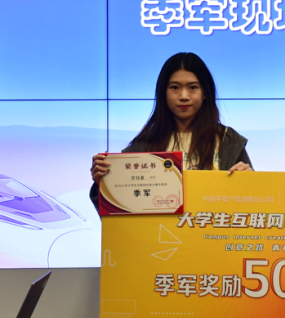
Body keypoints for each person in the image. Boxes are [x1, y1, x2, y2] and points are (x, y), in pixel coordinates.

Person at [90, 51, 253, 208]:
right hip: (158, 229)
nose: (184, 96)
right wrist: (103, 183)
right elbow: (121, 211)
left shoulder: (227, 140)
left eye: (193, 87)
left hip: (210, 227)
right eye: (175, 87)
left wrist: (251, 181)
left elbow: (253, 205)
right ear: (163, 93)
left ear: (205, 93)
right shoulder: (143, 145)